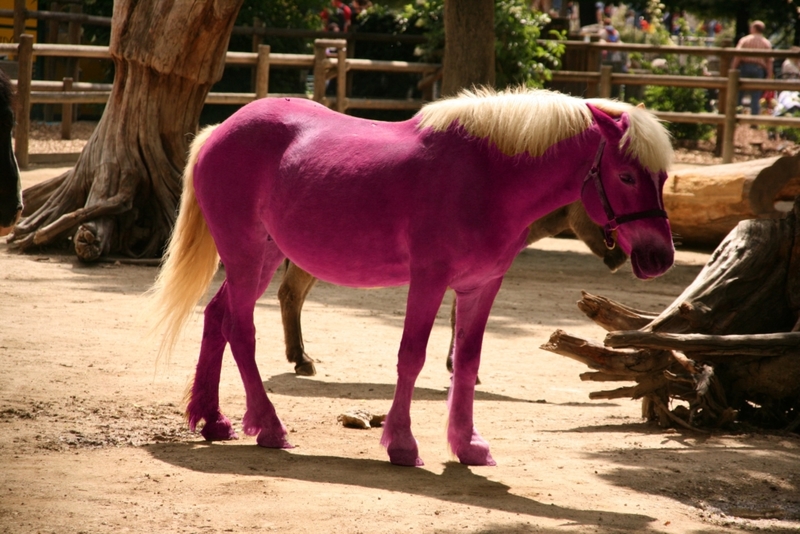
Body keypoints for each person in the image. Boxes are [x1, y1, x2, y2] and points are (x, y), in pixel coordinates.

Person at [731, 20, 774, 115]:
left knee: (739, 93)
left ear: (754, 28)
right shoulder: (766, 43)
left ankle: (736, 116)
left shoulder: (745, 40)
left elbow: (737, 55)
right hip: (759, 69)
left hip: (745, 67)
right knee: (756, 95)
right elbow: (769, 60)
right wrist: (769, 75)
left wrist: (733, 68)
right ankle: (754, 120)